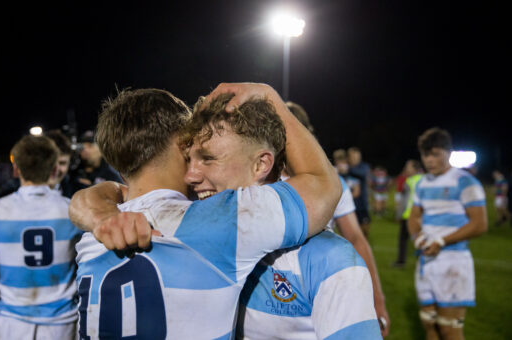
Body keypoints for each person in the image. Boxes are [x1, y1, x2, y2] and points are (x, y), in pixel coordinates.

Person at [70, 87, 379, 339]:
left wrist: (98, 211)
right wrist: (269, 95)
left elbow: (114, 195)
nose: (193, 174)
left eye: (207, 158)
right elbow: (322, 184)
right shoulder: (221, 222)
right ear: (181, 144)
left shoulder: (94, 235)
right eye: (192, 155)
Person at [285, 102, 390, 336]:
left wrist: (377, 298)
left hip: (321, 294)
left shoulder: (332, 183)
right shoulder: (258, 180)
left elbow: (355, 237)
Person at [0, 135, 83, 339]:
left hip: (12, 323)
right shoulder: (73, 210)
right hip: (63, 323)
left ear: (16, 170)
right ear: (54, 169)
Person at [408, 127, 487, 340]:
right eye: (426, 155)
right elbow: (414, 217)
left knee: (449, 328)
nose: (429, 160)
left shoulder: (465, 181)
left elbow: (479, 224)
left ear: (448, 153)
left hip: (453, 262)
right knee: (428, 322)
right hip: (426, 261)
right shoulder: (422, 183)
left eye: (435, 154)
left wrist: (442, 241)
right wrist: (418, 239)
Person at [0, 129, 87, 202]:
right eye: (51, 162)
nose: (56, 169)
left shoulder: (81, 194)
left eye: (62, 163)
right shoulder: (9, 192)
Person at [393, 159, 423, 268]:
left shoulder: (409, 181)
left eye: (408, 167)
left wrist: (398, 214)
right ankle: (423, 261)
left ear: (415, 169)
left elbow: (404, 200)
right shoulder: (424, 179)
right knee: (421, 238)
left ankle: (401, 262)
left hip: (408, 215)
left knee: (403, 239)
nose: (406, 169)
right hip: (421, 215)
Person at [348, 147, 372, 237]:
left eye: (357, 157)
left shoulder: (364, 167)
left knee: (365, 229)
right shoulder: (346, 168)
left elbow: (362, 173)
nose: (355, 159)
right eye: (353, 157)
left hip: (362, 203)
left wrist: (348, 169)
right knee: (351, 231)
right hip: (350, 204)